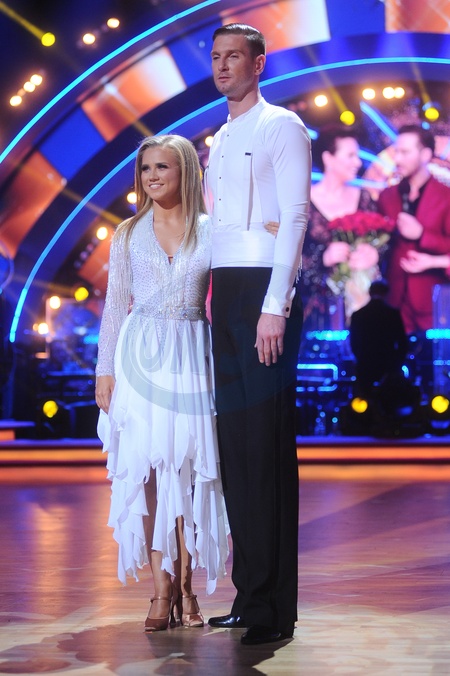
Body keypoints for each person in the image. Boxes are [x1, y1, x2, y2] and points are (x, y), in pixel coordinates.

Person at [95, 134, 229, 633]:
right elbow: (115, 305)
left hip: (192, 356)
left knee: (189, 472)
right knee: (148, 474)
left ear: (186, 171)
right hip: (139, 359)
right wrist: (103, 370)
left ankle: (188, 586)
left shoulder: (212, 230)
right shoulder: (127, 233)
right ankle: (160, 588)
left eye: (163, 167)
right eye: (146, 168)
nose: (152, 176)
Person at [204, 23, 311, 645]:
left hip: (262, 292)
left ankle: (274, 608)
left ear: (259, 63)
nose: (223, 67)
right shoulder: (219, 138)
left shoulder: (282, 126)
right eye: (216, 57)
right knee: (236, 448)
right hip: (226, 291)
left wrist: (276, 304)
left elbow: (294, 215)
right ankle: (249, 595)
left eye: (234, 57)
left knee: (265, 448)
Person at [302, 124, 380, 330]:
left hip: (364, 304)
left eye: (358, 155)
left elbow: (384, 245)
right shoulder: (303, 204)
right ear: (328, 158)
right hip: (319, 311)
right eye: (350, 155)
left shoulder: (364, 198)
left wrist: (374, 254)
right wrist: (323, 258)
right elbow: (289, 260)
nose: (358, 162)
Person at [378, 124, 450, 334]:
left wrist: (422, 235)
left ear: (425, 154)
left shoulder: (446, 196)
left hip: (434, 303)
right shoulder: (386, 196)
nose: (398, 159)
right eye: (396, 152)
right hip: (393, 300)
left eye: (405, 152)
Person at [349, 279, 408, 397]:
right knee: (388, 399)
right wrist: (396, 363)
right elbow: (402, 342)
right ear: (386, 293)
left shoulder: (358, 315)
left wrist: (361, 359)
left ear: (370, 292)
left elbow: (353, 343)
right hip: (388, 365)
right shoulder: (392, 314)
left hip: (365, 365)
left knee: (365, 399)